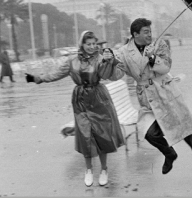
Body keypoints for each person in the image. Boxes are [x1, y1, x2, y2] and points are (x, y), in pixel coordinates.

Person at [115, 18, 192, 182]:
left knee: (189, 132)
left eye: (150, 31)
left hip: (167, 94)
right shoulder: (124, 52)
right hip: (148, 99)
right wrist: (109, 63)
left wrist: (152, 58)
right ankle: (169, 153)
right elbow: (116, 74)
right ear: (135, 34)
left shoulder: (159, 45)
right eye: (146, 32)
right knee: (148, 132)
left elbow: (166, 67)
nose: (150, 35)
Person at [25, 31, 125, 187]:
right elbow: (56, 74)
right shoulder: (72, 61)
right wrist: (39, 79)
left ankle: (104, 169)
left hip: (99, 99)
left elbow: (109, 76)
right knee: (85, 134)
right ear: (82, 45)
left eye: (94, 44)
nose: (92, 47)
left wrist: (111, 62)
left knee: (102, 135)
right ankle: (89, 170)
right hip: (80, 100)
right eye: (88, 44)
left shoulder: (100, 58)